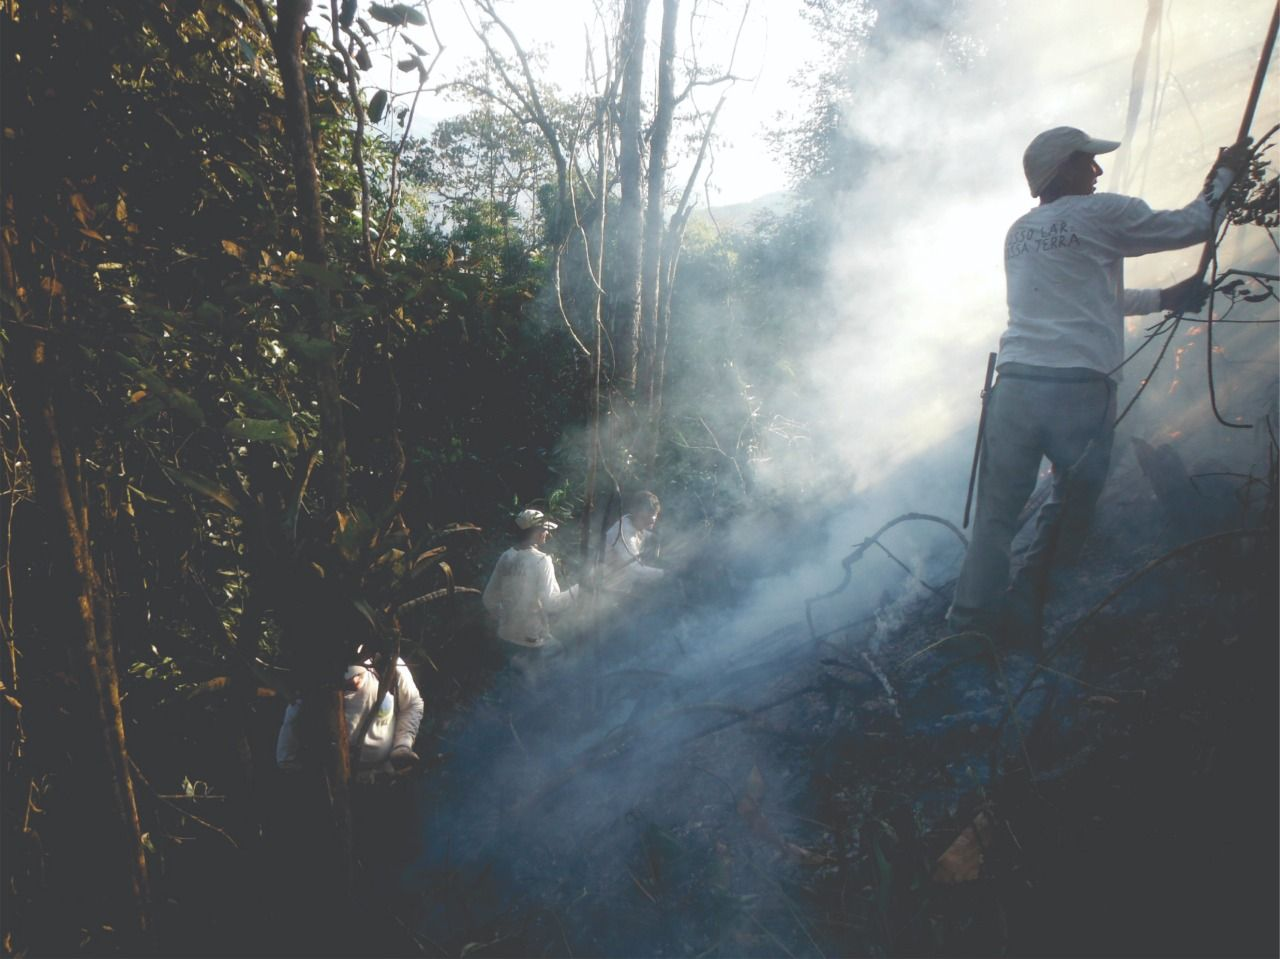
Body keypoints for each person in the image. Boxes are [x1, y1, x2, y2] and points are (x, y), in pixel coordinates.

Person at [948, 125, 1251, 645]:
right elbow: (1194, 224)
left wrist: (1162, 297)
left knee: (995, 520)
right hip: (1078, 389)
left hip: (1015, 386)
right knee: (1070, 507)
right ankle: (1025, 614)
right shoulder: (1102, 212)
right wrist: (1224, 175)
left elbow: (1086, 295)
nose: (1097, 170)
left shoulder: (1020, 232)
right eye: (1088, 161)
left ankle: (968, 629)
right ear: (1063, 167)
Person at [276, 654, 424, 781]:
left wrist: (402, 744)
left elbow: (412, 704)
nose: (354, 682)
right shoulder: (311, 689)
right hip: (335, 783)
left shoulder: (387, 666)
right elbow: (286, 758)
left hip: (387, 774)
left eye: (358, 675)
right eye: (346, 680)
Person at [482, 508, 579, 656]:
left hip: (505, 635)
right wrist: (580, 588)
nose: (547, 533)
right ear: (536, 532)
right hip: (531, 640)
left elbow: (488, 598)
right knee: (561, 654)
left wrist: (506, 618)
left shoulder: (506, 556)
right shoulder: (542, 560)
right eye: (544, 529)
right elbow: (552, 604)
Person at [603, 490, 665, 594]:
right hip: (603, 589)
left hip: (617, 589)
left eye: (653, 514)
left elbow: (642, 533)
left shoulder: (632, 522)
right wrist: (664, 574)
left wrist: (654, 538)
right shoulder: (623, 532)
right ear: (635, 511)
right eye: (646, 515)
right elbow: (635, 571)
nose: (652, 519)